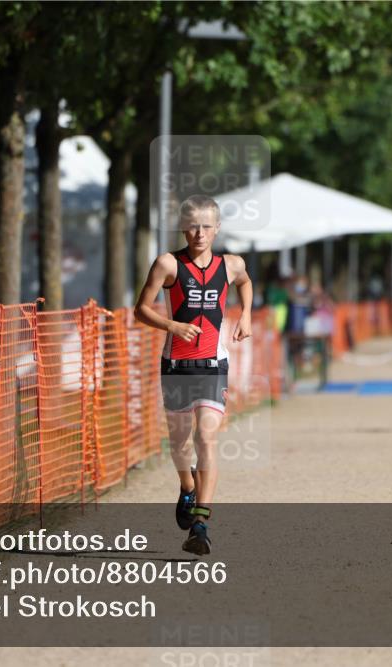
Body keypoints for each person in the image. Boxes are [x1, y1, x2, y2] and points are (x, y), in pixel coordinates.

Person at [134, 195, 252, 556]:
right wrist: (172, 324)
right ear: (182, 228)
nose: (199, 233)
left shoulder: (231, 265)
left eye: (206, 226)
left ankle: (200, 524)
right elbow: (141, 309)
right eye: (192, 226)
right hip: (176, 363)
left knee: (206, 438)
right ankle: (187, 486)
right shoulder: (168, 264)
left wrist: (246, 313)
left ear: (217, 228)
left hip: (213, 364)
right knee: (180, 443)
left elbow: (245, 282)